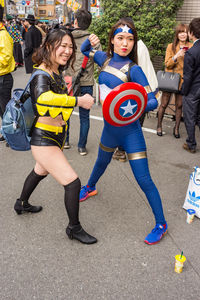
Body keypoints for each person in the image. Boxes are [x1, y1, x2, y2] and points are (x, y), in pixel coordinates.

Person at [79, 18, 167, 245]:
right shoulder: (103, 58)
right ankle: (90, 187)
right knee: (100, 162)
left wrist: (133, 107)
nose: (125, 43)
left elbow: (153, 101)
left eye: (130, 39)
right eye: (120, 38)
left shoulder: (134, 69)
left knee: (144, 179)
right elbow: (84, 50)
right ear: (112, 40)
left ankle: (161, 223)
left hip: (130, 132)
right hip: (110, 129)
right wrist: (90, 40)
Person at [14, 27, 97, 245]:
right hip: (44, 140)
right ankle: (74, 228)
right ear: (49, 46)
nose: (68, 51)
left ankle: (21, 203)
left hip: (54, 137)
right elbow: (43, 99)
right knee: (73, 183)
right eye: (63, 46)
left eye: (70, 47)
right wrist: (77, 101)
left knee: (39, 172)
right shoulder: (41, 73)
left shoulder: (55, 72)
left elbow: (57, 103)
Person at [113, 35, 159, 162]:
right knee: (136, 124)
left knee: (127, 123)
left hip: (136, 93)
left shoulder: (132, 49)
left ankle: (122, 151)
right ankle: (134, 152)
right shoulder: (140, 45)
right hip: (146, 92)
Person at [64, 9, 101, 155]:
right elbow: (100, 62)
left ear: (75, 21)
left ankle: (65, 141)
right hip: (86, 82)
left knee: (66, 113)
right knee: (84, 117)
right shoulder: (94, 41)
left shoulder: (67, 38)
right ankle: (81, 146)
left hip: (68, 82)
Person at [156, 24, 192, 138]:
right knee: (164, 103)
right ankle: (159, 125)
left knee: (179, 105)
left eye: (185, 32)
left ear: (188, 34)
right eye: (180, 32)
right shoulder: (171, 46)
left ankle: (176, 128)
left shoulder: (191, 47)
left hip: (182, 80)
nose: (183, 34)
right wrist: (177, 55)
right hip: (170, 80)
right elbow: (167, 64)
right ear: (177, 34)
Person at [182, 18, 200, 153]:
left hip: (193, 90)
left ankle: (191, 144)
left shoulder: (191, 52)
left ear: (192, 33)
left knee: (189, 117)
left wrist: (184, 91)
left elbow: (188, 76)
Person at [0, 5, 15, 142]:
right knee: (2, 109)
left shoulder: (3, 35)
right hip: (2, 76)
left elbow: (5, 59)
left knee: (5, 110)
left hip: (3, 77)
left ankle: (11, 135)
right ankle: (6, 133)